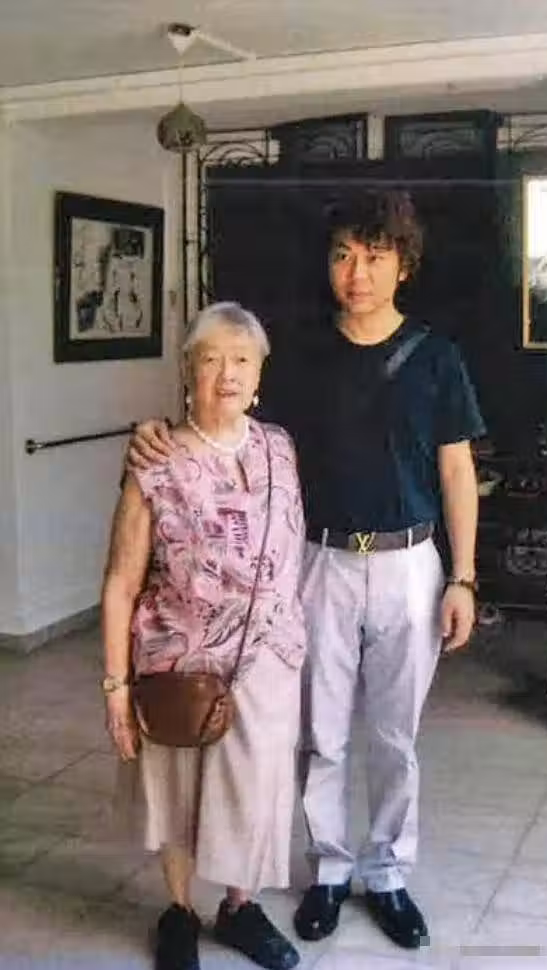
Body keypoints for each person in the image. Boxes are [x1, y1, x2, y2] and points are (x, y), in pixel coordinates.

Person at [126, 190, 485, 951]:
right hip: (317, 563)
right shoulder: (295, 352)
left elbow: (457, 471)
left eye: (375, 257)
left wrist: (464, 577)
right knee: (321, 734)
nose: (357, 273)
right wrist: (155, 428)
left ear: (403, 265)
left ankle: (387, 874)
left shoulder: (437, 357)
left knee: (394, 735)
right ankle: (328, 869)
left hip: (410, 562)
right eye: (343, 255)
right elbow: (226, 412)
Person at [101, 301, 306, 970]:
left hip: (268, 657)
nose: (227, 374)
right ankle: (180, 911)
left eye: (241, 359)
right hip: (178, 659)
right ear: (187, 370)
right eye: (211, 359)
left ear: (260, 373)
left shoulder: (280, 447)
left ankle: (240, 908)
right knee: (180, 792)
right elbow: (120, 582)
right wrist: (116, 687)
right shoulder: (155, 461)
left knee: (255, 787)